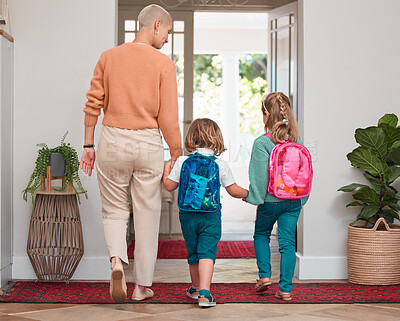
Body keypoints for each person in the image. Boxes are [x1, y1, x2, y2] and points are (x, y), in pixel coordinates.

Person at [80, 4, 182, 303]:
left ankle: (116, 262)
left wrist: (88, 146)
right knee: (147, 214)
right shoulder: (163, 64)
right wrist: (175, 155)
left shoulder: (108, 57)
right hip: (148, 144)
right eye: (168, 32)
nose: (167, 39)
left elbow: (92, 104)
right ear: (157, 25)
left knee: (114, 211)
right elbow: (168, 119)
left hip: (112, 140)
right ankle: (142, 287)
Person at [163, 118, 248, 307]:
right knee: (207, 252)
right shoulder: (220, 164)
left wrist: (166, 169)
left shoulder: (183, 161)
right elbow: (233, 190)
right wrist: (248, 194)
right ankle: (205, 293)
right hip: (210, 217)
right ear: (216, 138)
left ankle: (195, 287)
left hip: (187, 216)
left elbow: (169, 186)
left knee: (193, 252)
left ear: (191, 138)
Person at [245, 92, 309, 301]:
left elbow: (259, 179)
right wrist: (301, 200)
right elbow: (305, 173)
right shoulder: (298, 141)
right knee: (287, 244)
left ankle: (264, 276)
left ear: (266, 114)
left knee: (261, 234)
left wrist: (254, 198)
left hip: (270, 202)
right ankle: (286, 289)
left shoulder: (262, 143)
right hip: (293, 203)